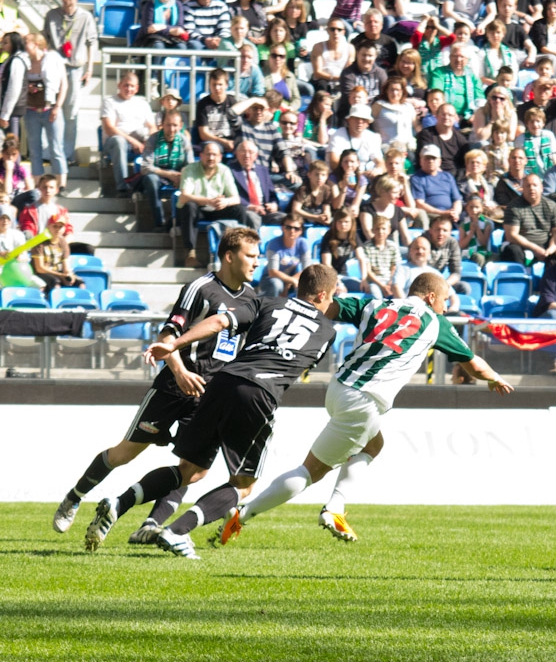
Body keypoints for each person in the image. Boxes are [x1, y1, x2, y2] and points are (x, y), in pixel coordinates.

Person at [215, 270, 512, 546]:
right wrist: (495, 378)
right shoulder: (435, 323)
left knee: (374, 444)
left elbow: (328, 307)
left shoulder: (374, 305)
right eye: (445, 300)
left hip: (339, 387)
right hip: (364, 400)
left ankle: (335, 507)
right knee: (311, 471)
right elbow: (472, 364)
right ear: (431, 297)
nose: (446, 308)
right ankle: (245, 513)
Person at [83, 264, 338, 558]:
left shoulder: (266, 302)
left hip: (222, 382)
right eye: (331, 297)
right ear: (321, 295)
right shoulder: (327, 330)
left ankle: (119, 503)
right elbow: (302, 368)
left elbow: (218, 322)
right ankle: (175, 532)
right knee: (243, 485)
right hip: (258, 394)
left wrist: (174, 344)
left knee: (190, 470)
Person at [52, 228, 260, 543]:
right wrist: (179, 372)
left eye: (257, 257)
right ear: (230, 256)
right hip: (173, 388)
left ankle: (143, 522)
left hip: (209, 395)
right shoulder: (200, 289)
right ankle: (75, 496)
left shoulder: (252, 299)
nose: (256, 263)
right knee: (125, 454)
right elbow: (167, 336)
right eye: (250, 256)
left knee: (193, 469)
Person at [43, 0, 96, 165]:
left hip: (74, 67)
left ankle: (67, 154)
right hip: (54, 67)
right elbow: (44, 41)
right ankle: (50, 150)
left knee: (70, 112)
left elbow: (92, 43)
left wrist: (89, 69)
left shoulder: (85, 17)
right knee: (50, 107)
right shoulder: (51, 15)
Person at [179, 142, 248, 268]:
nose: (211, 158)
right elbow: (184, 196)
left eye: (214, 155)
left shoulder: (224, 170)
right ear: (201, 155)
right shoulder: (190, 169)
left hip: (217, 209)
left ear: (220, 157)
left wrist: (225, 202)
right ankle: (190, 254)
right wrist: (208, 201)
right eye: (208, 154)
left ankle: (239, 251)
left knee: (240, 210)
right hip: (197, 210)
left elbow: (236, 198)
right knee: (189, 206)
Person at [22, 34, 68, 194]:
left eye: (26, 42)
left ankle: (61, 183)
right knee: (34, 149)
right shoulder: (25, 62)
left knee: (56, 147)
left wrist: (57, 106)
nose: (24, 45)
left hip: (51, 108)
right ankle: (37, 183)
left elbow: (64, 84)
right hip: (31, 110)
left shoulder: (53, 59)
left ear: (36, 44)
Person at [101, 72, 157, 197]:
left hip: (137, 138)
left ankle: (151, 182)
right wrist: (133, 141)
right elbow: (109, 128)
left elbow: (152, 126)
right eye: (126, 85)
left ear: (137, 88)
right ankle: (123, 187)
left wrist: (149, 141)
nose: (129, 89)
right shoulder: (109, 102)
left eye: (132, 86)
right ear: (119, 85)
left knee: (147, 134)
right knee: (119, 141)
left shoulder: (142, 103)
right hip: (115, 141)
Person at [136, 110, 193, 232]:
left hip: (178, 176)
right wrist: (168, 174)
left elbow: (191, 166)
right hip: (158, 175)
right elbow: (145, 167)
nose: (171, 129)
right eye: (168, 125)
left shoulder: (184, 141)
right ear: (162, 124)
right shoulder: (153, 139)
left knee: (190, 181)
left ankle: (178, 223)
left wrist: (181, 176)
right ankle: (159, 223)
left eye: (175, 125)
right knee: (150, 179)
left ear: (180, 126)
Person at [229, 139, 282, 228]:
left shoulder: (263, 170)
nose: (247, 155)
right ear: (237, 154)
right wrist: (250, 206)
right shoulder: (230, 171)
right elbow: (229, 195)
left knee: (285, 219)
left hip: (265, 210)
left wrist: (274, 204)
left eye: (251, 152)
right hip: (246, 211)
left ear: (256, 155)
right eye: (243, 151)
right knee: (252, 218)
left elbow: (272, 194)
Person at [31, 214, 83, 294]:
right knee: (55, 282)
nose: (58, 229)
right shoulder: (40, 242)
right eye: (55, 226)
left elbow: (65, 266)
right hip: (42, 273)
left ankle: (80, 304)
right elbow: (39, 268)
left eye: (60, 227)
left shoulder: (63, 242)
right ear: (48, 227)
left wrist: (68, 274)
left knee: (79, 282)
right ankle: (55, 304)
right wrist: (60, 275)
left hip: (58, 271)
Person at [260, 215, 310, 297]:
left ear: (301, 231)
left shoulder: (303, 243)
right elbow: (272, 272)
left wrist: (289, 282)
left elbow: (307, 270)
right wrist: (292, 281)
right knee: (277, 284)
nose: (292, 231)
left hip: (291, 278)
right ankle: (269, 307)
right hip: (270, 279)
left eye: (296, 229)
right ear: (282, 228)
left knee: (305, 284)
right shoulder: (273, 244)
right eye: (288, 227)